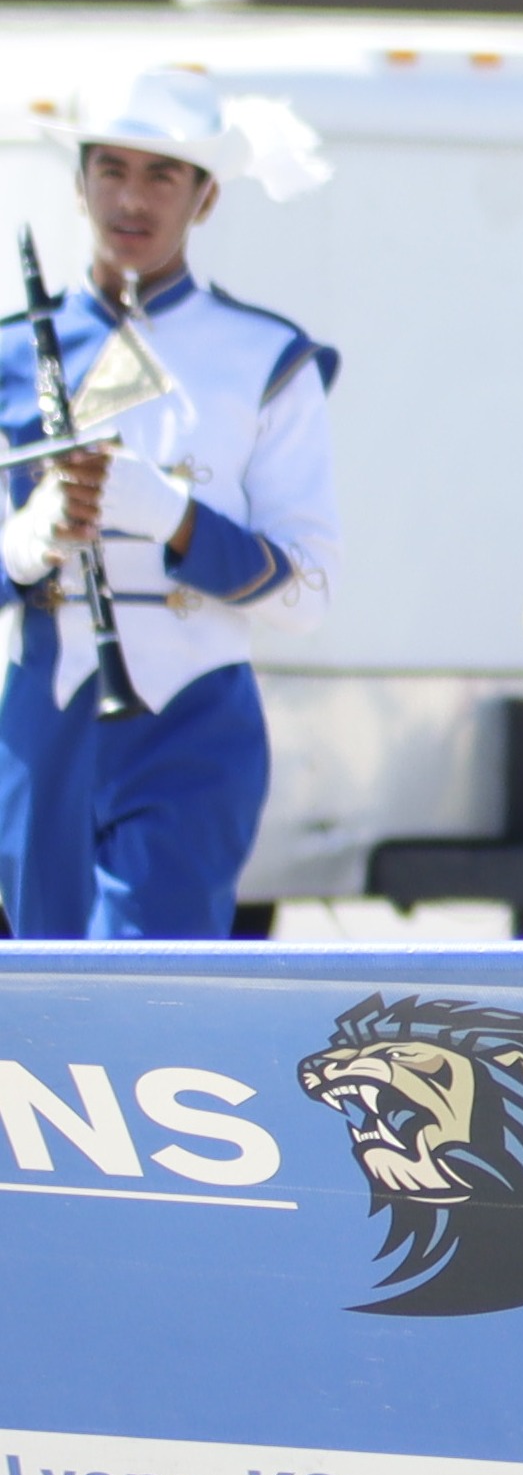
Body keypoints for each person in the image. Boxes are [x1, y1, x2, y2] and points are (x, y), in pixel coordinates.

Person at [0, 70, 337, 940]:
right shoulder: (10, 353)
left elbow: (309, 596)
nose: (131, 198)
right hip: (44, 708)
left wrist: (174, 516)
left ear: (207, 195)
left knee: (153, 998)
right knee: (33, 1000)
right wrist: (27, 543)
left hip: (193, 717)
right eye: (110, 169)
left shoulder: (268, 356)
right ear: (78, 184)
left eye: (163, 175)